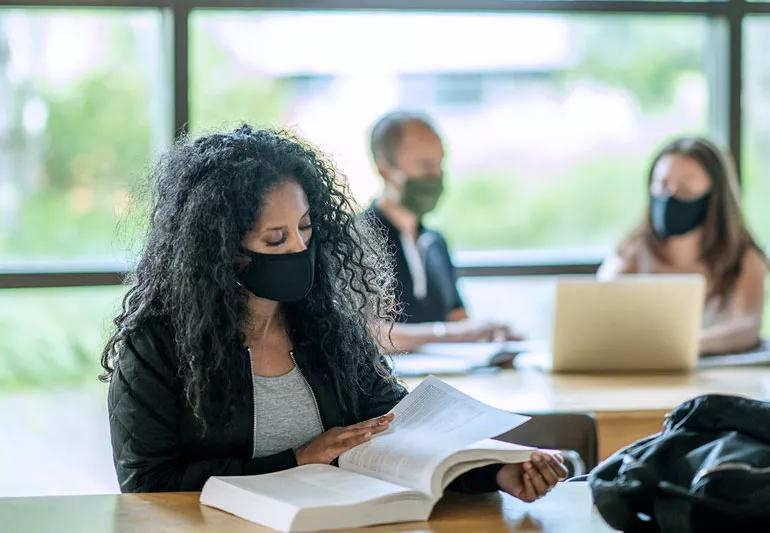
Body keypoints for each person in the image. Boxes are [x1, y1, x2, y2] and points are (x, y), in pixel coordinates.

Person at [102, 125, 566, 498]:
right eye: (275, 239)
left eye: (305, 228)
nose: (300, 247)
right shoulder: (157, 345)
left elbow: (397, 436)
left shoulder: (327, 329)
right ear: (220, 250)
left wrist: (494, 473)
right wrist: (297, 460)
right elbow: (148, 483)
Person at [599, 137, 767, 354]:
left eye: (685, 189)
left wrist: (685, 345)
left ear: (714, 197)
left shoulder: (743, 257)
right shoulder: (632, 255)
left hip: (718, 382)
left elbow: (747, 328)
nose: (670, 198)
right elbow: (601, 314)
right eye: (661, 185)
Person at [364, 111, 515, 353]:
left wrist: (491, 336)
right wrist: (446, 333)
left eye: (439, 163)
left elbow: (459, 321)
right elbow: (368, 333)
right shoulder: (352, 240)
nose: (436, 176)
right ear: (385, 170)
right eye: (425, 166)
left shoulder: (436, 243)